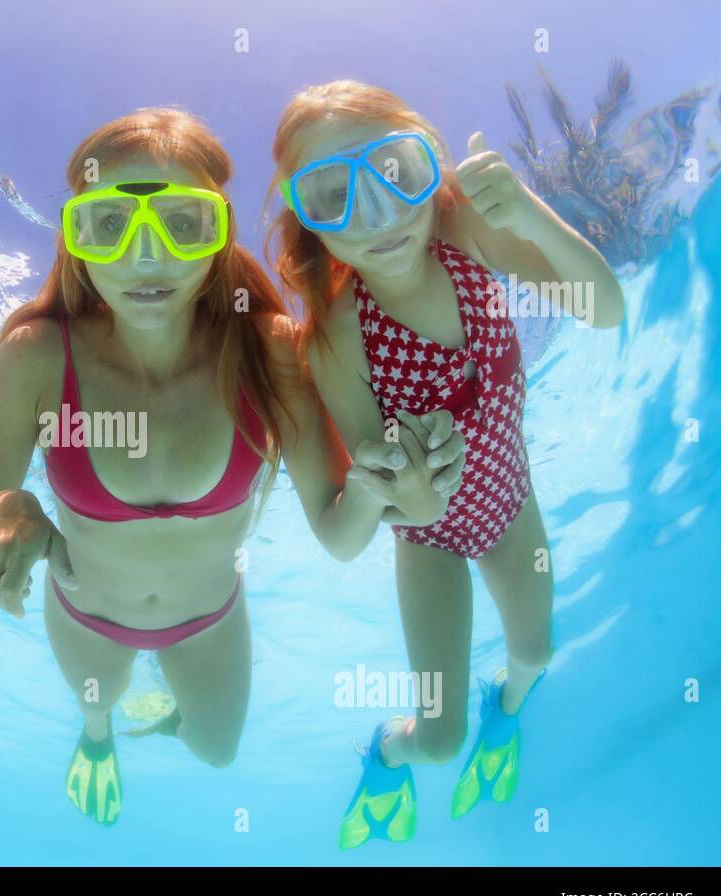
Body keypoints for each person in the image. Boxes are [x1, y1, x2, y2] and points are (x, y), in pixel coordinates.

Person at [0, 108, 465, 826]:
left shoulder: (272, 350)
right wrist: (17, 513)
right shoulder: (37, 355)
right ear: (77, 238)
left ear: (219, 233)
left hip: (211, 620)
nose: (145, 256)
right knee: (97, 716)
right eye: (110, 225)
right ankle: (98, 742)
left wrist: (387, 490)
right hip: (87, 617)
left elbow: (341, 536)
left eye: (182, 224)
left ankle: (153, 720)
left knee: (217, 752)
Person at [267, 80, 623, 848]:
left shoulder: (462, 228)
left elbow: (604, 308)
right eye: (333, 195)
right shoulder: (338, 336)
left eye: (395, 172)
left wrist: (530, 215)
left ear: (429, 162)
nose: (377, 213)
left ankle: (507, 710)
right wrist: (412, 483)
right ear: (310, 222)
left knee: (535, 655)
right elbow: (377, 521)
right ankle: (383, 756)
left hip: (508, 503)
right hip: (426, 544)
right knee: (435, 741)